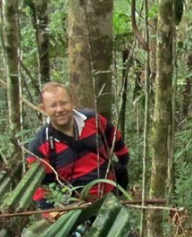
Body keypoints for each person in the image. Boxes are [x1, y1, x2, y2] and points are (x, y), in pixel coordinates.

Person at [28, 82, 130, 221]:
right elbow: (40, 186)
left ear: (72, 102)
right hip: (76, 211)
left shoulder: (92, 119)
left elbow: (112, 134)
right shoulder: (40, 145)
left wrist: (123, 157)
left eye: (64, 103)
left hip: (111, 199)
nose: (59, 109)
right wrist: (50, 213)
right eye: (53, 105)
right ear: (44, 108)